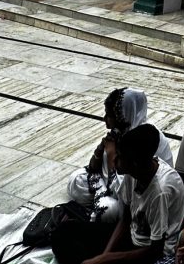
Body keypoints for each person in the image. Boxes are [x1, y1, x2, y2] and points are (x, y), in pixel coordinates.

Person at [56, 124, 184, 264]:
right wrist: (105, 256)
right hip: (132, 237)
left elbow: (155, 251)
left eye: (119, 157)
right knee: (63, 232)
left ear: (134, 163)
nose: (114, 160)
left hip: (150, 253)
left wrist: (105, 259)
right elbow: (125, 219)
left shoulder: (160, 191)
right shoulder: (134, 172)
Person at [66, 88, 174, 225]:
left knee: (107, 209)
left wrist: (111, 153)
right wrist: (101, 149)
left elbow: (122, 187)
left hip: (139, 197)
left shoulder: (144, 138)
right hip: (113, 185)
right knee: (76, 180)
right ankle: (99, 198)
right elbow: (93, 167)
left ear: (122, 116)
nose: (105, 119)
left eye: (109, 115)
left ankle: (99, 205)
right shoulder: (119, 132)